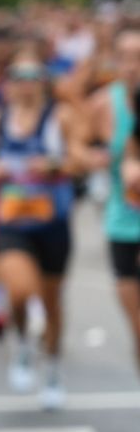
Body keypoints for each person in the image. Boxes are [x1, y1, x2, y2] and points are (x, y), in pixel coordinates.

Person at [0, 50, 88, 410]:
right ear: (8, 84)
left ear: (44, 82)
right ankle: (21, 343)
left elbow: (82, 160)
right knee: (19, 291)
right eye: (17, 76)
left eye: (32, 76)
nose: (25, 84)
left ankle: (51, 368)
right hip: (13, 222)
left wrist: (54, 164)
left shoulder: (60, 117)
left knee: (52, 302)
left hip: (54, 222)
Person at [87, 25, 140, 379]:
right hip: (123, 221)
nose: (133, 65)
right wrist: (97, 159)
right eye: (126, 58)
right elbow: (80, 149)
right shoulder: (104, 103)